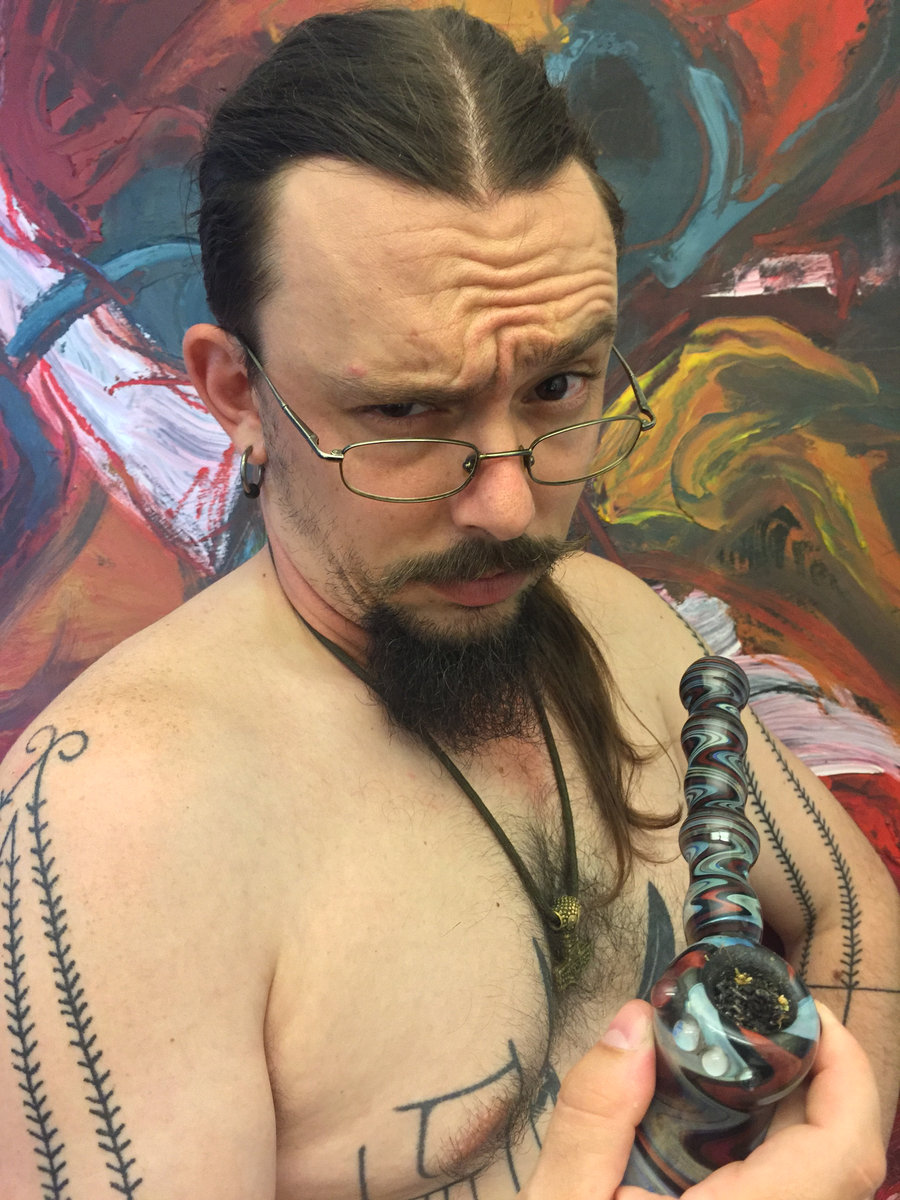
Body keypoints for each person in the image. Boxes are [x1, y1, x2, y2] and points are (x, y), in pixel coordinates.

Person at [1, 8, 897, 1199]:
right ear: (237, 394)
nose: (512, 506)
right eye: (407, 413)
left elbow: (849, 913)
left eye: (559, 387)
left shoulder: (621, 630)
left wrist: (827, 1150)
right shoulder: (118, 831)